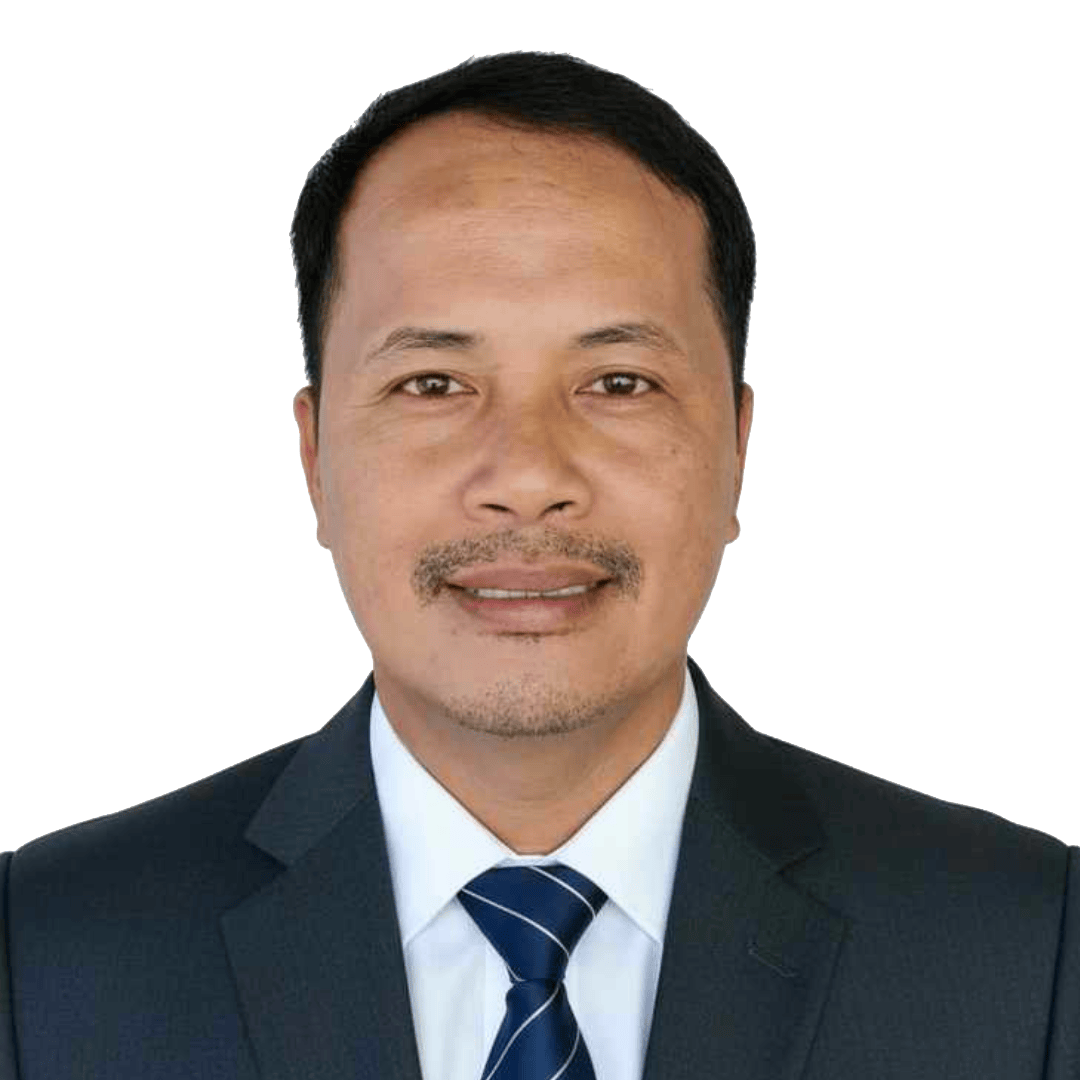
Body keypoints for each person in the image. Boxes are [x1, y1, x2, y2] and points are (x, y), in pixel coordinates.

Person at [0, 50, 1075, 1080]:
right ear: (315, 456)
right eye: (432, 384)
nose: (526, 478)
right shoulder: (43, 955)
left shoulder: (1029, 949)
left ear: (738, 450)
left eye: (619, 383)